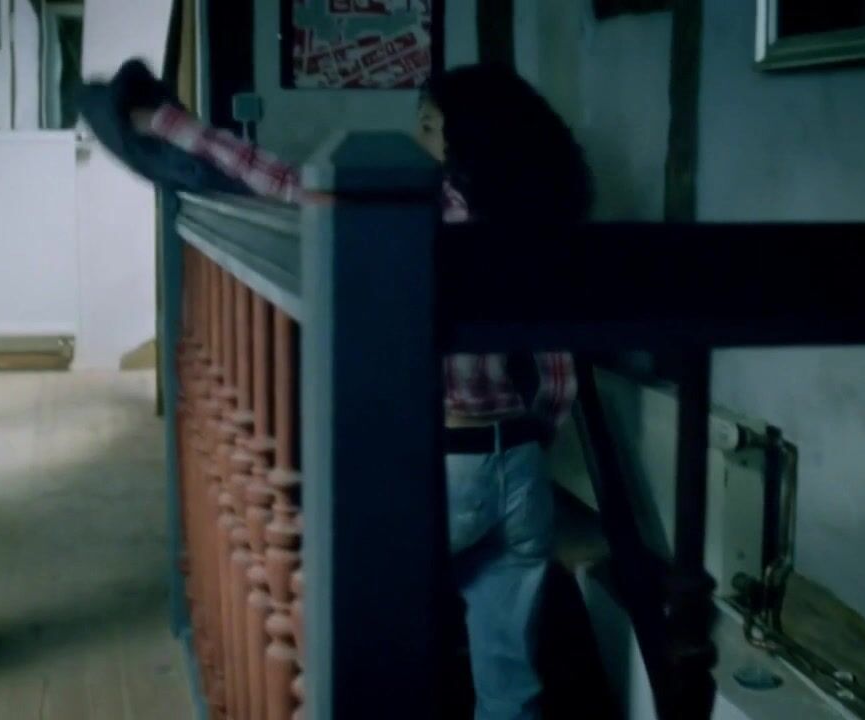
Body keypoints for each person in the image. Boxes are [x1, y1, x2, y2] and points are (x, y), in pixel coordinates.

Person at [118, 61, 592, 720]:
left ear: (467, 140)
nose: (415, 142)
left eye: (429, 127)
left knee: (368, 643)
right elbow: (559, 376)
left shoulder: (432, 211)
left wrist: (167, 122)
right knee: (510, 682)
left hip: (448, 468)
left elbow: (279, 179)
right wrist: (534, 440)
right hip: (524, 470)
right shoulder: (534, 223)